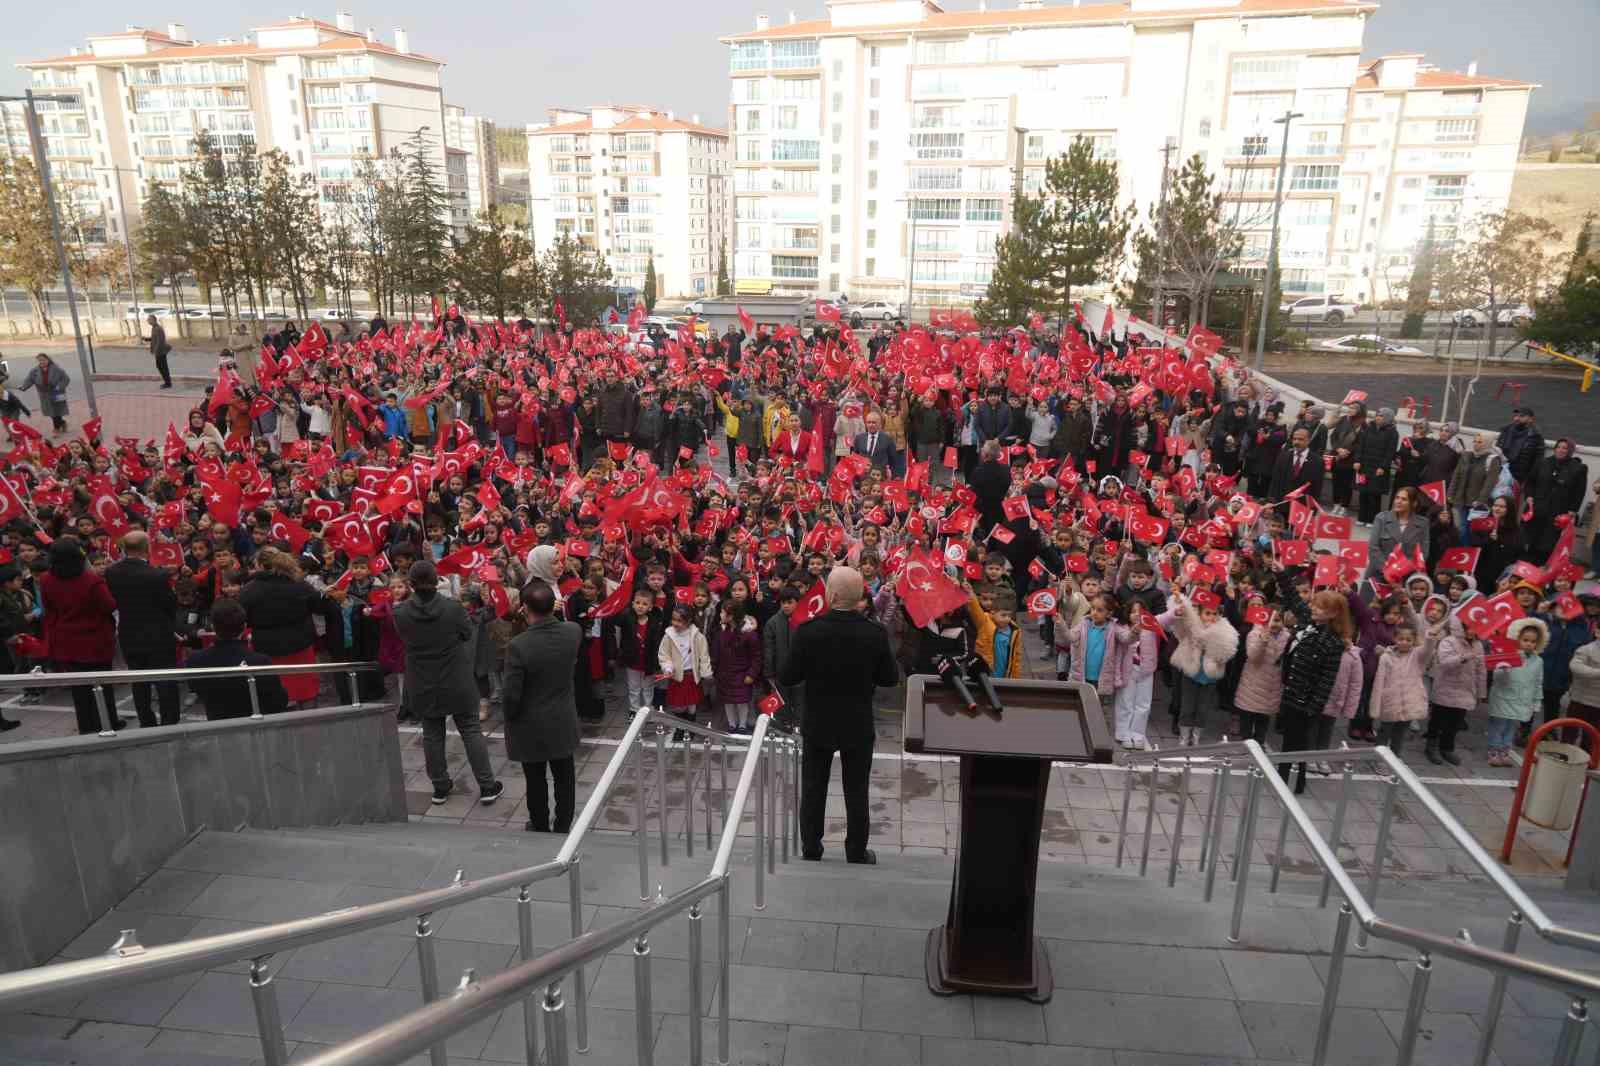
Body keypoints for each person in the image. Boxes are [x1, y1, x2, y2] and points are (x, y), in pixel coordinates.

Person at [782, 566, 898, 865]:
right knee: (857, 789)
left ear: (830, 595)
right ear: (860, 596)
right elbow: (889, 678)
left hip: (818, 720)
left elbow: (788, 676)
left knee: (813, 786)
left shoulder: (808, 631)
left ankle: (811, 846)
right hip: (857, 722)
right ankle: (856, 850)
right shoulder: (874, 633)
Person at [393, 561, 504, 806]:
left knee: (432, 734)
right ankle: (487, 786)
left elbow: (405, 638)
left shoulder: (400, 612)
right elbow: (466, 633)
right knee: (470, 730)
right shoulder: (452, 608)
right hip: (455, 677)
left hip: (422, 680)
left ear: (411, 584)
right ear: (436, 581)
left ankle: (440, 787)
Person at [502, 579, 582, 833]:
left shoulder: (518, 646)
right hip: (562, 718)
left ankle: (539, 824)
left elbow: (511, 694)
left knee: (535, 780)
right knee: (565, 778)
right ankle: (563, 825)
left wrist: (509, 717)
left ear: (525, 608)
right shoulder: (572, 632)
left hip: (530, 724)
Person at [38, 536, 120, 735]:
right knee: (103, 687)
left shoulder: (46, 579)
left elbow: (49, 609)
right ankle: (108, 723)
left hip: (67, 641)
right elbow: (109, 605)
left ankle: (86, 727)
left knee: (79, 689)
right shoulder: (92, 580)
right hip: (96, 640)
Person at [103, 531, 181, 727]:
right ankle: (169, 721)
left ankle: (146, 721)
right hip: (158, 635)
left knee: (139, 681)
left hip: (129, 633)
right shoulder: (156, 575)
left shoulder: (112, 572)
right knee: (165, 681)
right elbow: (170, 604)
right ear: (147, 548)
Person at [238, 548, 332, 706]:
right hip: (300, 645)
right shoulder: (300, 585)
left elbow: (241, 616)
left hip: (266, 648)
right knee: (306, 691)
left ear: (261, 565)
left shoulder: (249, 589)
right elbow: (319, 607)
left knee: (270, 693)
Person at [184, 597, 289, 719]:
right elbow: (279, 700)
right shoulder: (261, 661)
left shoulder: (195, 660)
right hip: (254, 722)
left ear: (212, 627)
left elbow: (197, 689)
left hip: (217, 722)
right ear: (244, 627)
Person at [1486, 618, 1547, 766]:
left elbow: (1538, 682)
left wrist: (1536, 702)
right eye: (1525, 640)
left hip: (1521, 700)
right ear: (1517, 638)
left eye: (1533, 641)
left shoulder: (1538, 661)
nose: (1529, 644)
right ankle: (1494, 751)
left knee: (1511, 727)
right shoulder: (1508, 654)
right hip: (1503, 698)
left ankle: (1505, 751)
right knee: (1498, 725)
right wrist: (1504, 670)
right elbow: (1496, 676)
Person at [1365, 486, 1431, 582]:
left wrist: (1402, 571)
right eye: (1397, 498)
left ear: (1414, 503)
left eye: (1404, 499)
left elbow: (1423, 552)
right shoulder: (1381, 518)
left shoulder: (1423, 523)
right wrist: (1388, 571)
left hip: (1404, 577)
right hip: (1378, 574)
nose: (1398, 501)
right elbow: (1373, 548)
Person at [16, 353, 71, 434]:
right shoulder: (35, 371)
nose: (42, 362)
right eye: (40, 360)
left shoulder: (57, 369)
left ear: (48, 359)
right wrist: (23, 387)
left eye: (43, 360)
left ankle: (56, 429)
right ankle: (62, 423)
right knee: (51, 412)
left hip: (56, 393)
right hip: (44, 395)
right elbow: (29, 380)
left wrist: (59, 387)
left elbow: (66, 379)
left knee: (57, 411)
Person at [1267, 426, 1323, 502]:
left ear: (1308, 441)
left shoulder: (1317, 461)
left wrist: (1312, 506)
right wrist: (1271, 501)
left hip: (1302, 504)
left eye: (1300, 439)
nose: (1296, 442)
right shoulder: (1283, 457)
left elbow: (1317, 487)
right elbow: (1275, 481)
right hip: (1281, 502)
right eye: (1294, 439)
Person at [1495, 406, 1544, 491]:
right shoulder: (1506, 431)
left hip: (1519, 478)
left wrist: (1527, 481)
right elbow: (1496, 452)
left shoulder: (1535, 437)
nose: (1516, 418)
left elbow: (1537, 462)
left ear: (1531, 419)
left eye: (1521, 416)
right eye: (1515, 416)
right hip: (1500, 473)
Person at [147, 314, 173, 389]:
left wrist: (156, 351)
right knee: (160, 366)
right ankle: (167, 382)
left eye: (149, 320)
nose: (148, 321)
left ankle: (168, 383)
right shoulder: (154, 328)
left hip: (161, 351)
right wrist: (147, 339)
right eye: (148, 320)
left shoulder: (158, 328)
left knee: (163, 367)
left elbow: (160, 341)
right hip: (159, 351)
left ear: (154, 320)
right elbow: (155, 338)